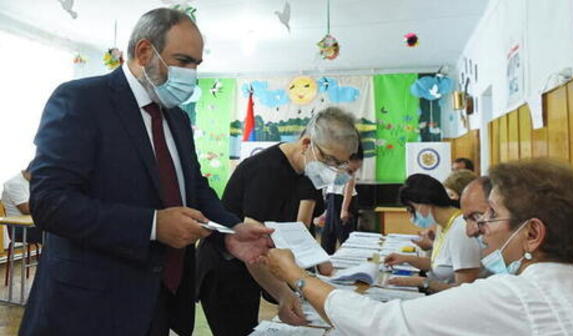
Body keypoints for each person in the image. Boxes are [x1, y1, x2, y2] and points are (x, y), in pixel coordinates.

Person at [20, 8, 272, 336]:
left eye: (196, 64)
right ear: (144, 52)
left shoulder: (177, 119)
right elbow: (49, 203)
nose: (191, 74)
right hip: (88, 306)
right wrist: (152, 225)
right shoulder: (81, 101)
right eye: (182, 61)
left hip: (161, 301)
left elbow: (194, 188)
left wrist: (230, 230)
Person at [262, 159, 573, 335]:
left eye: (491, 216)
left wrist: (295, 276)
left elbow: (379, 324)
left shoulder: (517, 295)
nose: (478, 231)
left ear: (532, 234)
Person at [196, 107, 359, 336]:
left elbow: (298, 230)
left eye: (340, 163)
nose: (333, 168)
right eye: (329, 159)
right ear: (306, 143)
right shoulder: (268, 172)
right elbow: (252, 248)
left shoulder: (303, 172)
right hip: (227, 271)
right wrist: (284, 294)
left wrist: (312, 267)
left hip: (252, 268)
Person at [384, 174, 482, 293]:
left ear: (425, 203)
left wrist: (422, 282)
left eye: (411, 209)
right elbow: (440, 265)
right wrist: (406, 258)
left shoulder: (461, 231)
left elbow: (464, 291)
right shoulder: (442, 224)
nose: (411, 216)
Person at [320, 141, 364, 255]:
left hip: (343, 201)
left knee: (344, 233)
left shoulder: (347, 170)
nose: (359, 166)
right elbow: (327, 189)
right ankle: (327, 257)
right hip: (333, 200)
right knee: (328, 233)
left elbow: (348, 190)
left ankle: (348, 257)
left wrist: (344, 210)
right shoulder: (336, 166)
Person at [1, 165, 43, 244]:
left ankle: (51, 255)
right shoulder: (14, 184)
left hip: (33, 225)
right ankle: (49, 256)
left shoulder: (30, 181)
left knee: (62, 228)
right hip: (19, 229)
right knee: (56, 233)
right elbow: (26, 209)